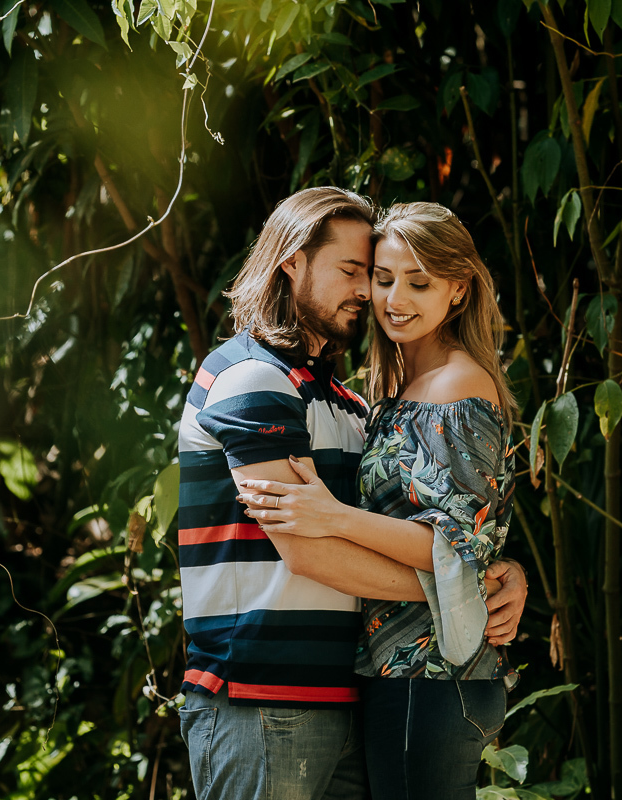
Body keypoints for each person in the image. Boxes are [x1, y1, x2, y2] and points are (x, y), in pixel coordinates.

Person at [177, 188, 526, 800]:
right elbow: (309, 552)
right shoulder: (252, 379)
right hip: (258, 696)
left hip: (348, 692)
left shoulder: (350, 406)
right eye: (358, 272)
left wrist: (496, 570)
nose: (372, 294)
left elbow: (450, 522)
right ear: (291, 262)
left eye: (383, 276)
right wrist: (468, 589)